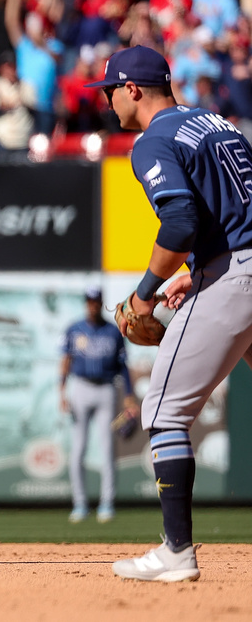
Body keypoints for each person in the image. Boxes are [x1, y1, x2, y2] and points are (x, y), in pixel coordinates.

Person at [85, 45, 252, 582]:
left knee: (162, 412)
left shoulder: (152, 139)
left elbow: (178, 224)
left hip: (238, 275)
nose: (107, 101)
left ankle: (176, 552)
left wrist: (143, 293)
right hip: (238, 262)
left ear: (132, 88)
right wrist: (200, 269)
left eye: (110, 90)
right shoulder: (217, 122)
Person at [58, 285, 135, 524]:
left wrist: (129, 395)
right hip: (80, 387)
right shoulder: (74, 329)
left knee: (106, 448)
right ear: (85, 303)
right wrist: (61, 391)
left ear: (100, 303)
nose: (93, 304)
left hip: (106, 388)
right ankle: (80, 504)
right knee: (78, 448)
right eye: (89, 301)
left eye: (96, 301)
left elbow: (124, 366)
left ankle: (106, 504)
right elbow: (66, 361)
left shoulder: (112, 332)